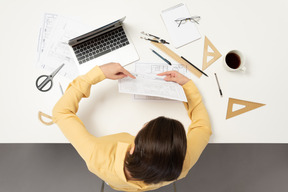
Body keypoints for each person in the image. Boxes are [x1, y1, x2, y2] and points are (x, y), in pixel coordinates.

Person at [52, 63, 211, 191]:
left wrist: (96, 74)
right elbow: (203, 128)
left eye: (145, 128)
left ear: (133, 148)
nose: (145, 124)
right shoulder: (181, 164)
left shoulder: (97, 156)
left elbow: (61, 112)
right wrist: (187, 85)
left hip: (114, 180)